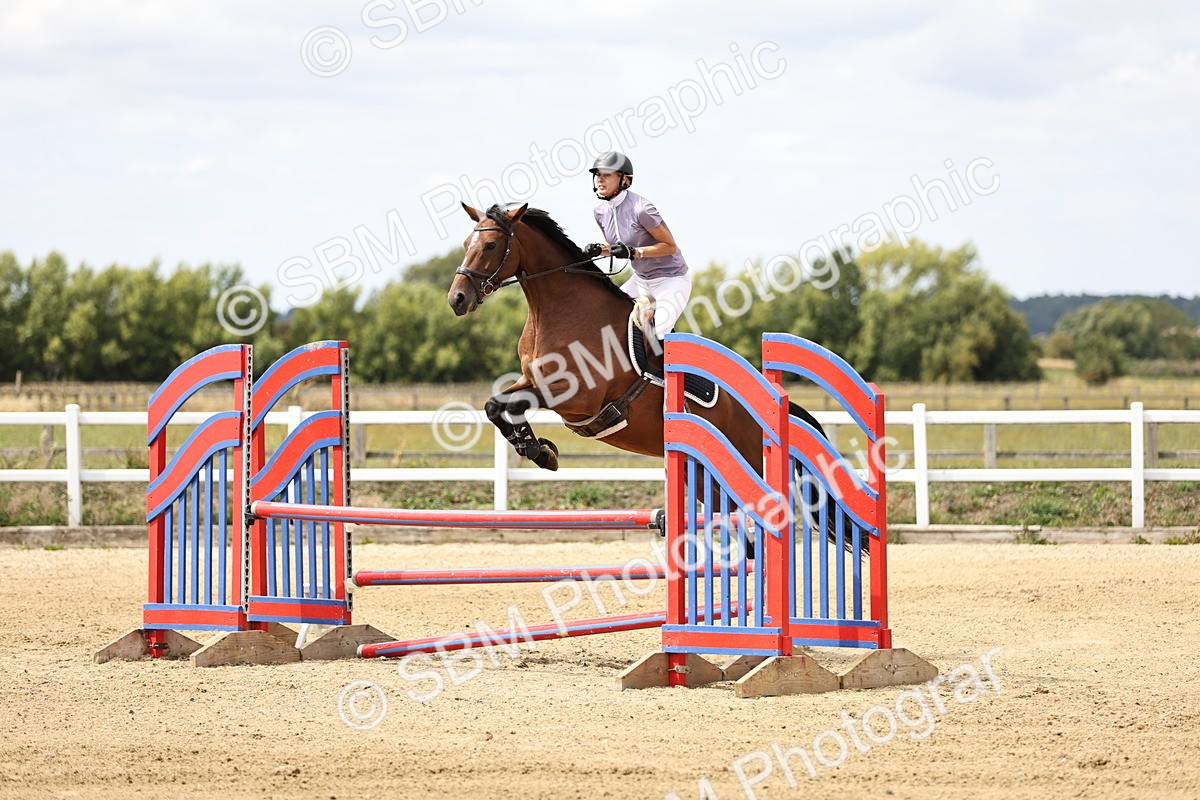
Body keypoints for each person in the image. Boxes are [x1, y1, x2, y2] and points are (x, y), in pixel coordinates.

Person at [585, 151, 691, 340]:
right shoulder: (600, 211)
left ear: (624, 179)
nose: (600, 179)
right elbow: (616, 247)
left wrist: (634, 252)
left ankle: (665, 369)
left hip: (671, 279)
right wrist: (600, 250)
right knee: (605, 316)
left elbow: (669, 246)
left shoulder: (642, 209)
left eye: (606, 174)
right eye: (598, 174)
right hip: (641, 280)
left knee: (659, 332)